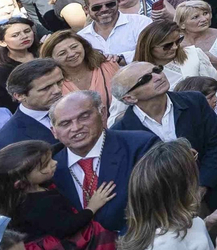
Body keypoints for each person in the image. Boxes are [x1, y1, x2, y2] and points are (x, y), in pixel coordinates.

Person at [0, 140, 118, 250]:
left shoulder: (15, 194)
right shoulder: (39, 204)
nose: (54, 163)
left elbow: (50, 150)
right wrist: (92, 207)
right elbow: (67, 227)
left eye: (50, 158)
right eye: (45, 165)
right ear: (21, 183)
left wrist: (66, 141)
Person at [110, 61, 217, 201]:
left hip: (214, 195)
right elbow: (132, 180)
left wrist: (202, 186)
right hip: (165, 207)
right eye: (146, 79)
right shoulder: (121, 133)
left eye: (157, 70)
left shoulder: (195, 101)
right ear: (129, 98)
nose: (158, 77)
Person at [48, 89, 155, 234]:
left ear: (103, 113)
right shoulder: (47, 170)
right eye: (65, 123)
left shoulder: (140, 146)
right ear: (54, 131)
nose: (76, 127)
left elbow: (156, 208)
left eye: (84, 117)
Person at [133, 21, 217, 106]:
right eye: (167, 46)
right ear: (148, 47)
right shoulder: (140, 74)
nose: (175, 47)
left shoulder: (194, 54)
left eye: (178, 41)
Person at [0, 59, 63, 158]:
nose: (57, 90)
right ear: (19, 96)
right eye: (46, 88)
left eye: (59, 82)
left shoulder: (74, 108)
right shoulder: (8, 141)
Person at [176, 0, 217, 115]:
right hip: (196, 101)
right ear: (182, 24)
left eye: (206, 13)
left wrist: (213, 60)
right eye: (195, 17)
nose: (204, 19)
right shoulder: (175, 45)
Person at [40, 31, 119, 108]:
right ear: (50, 59)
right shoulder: (51, 83)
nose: (71, 54)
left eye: (74, 47)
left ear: (83, 45)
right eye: (62, 53)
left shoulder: (108, 65)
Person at [76, 0, 148, 62]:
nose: (104, 9)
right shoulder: (81, 37)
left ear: (118, 2)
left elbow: (150, 51)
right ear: (86, 9)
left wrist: (121, 59)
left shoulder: (141, 23)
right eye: (97, 7)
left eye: (110, 4)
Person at [0, 19, 38, 110]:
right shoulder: (2, 69)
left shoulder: (41, 51)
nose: (24, 36)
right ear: (2, 42)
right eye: (15, 35)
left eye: (27, 31)